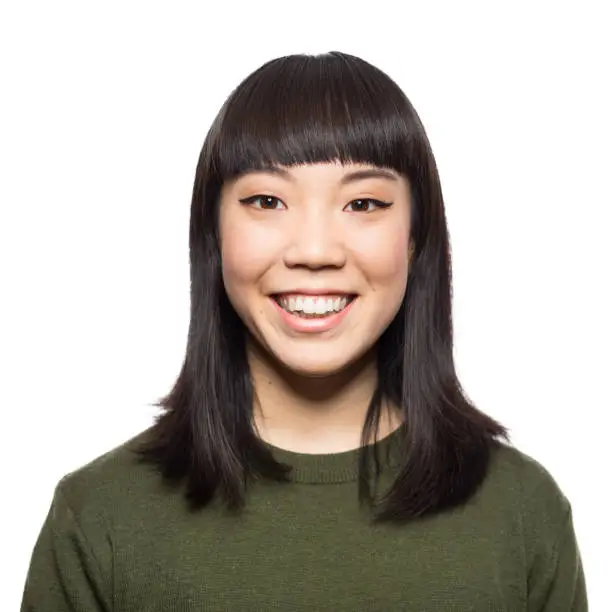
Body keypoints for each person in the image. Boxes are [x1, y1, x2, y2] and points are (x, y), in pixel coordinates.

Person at [20, 51, 588, 611]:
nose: (314, 251)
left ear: (416, 239)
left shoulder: (522, 513)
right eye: (267, 200)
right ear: (214, 236)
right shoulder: (98, 520)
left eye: (363, 202)